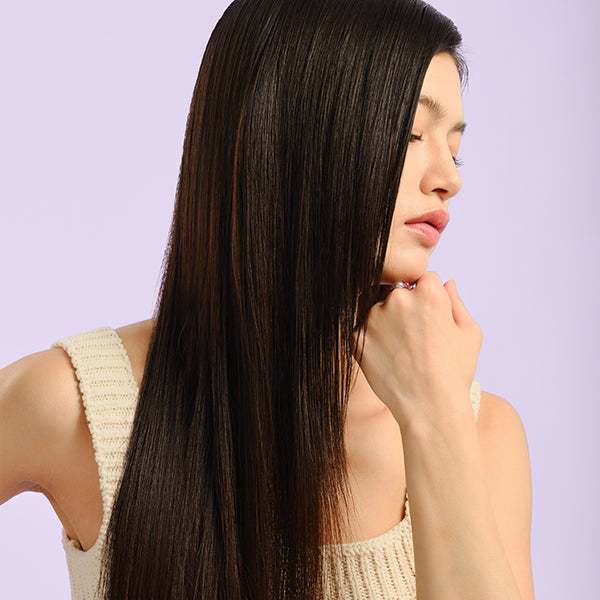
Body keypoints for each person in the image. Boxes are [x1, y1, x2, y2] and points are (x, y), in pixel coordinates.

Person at [0, 1, 534, 599]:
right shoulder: (83, 406)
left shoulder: (480, 434)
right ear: (285, 135)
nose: (449, 178)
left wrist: (435, 420)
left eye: (454, 148)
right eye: (411, 133)